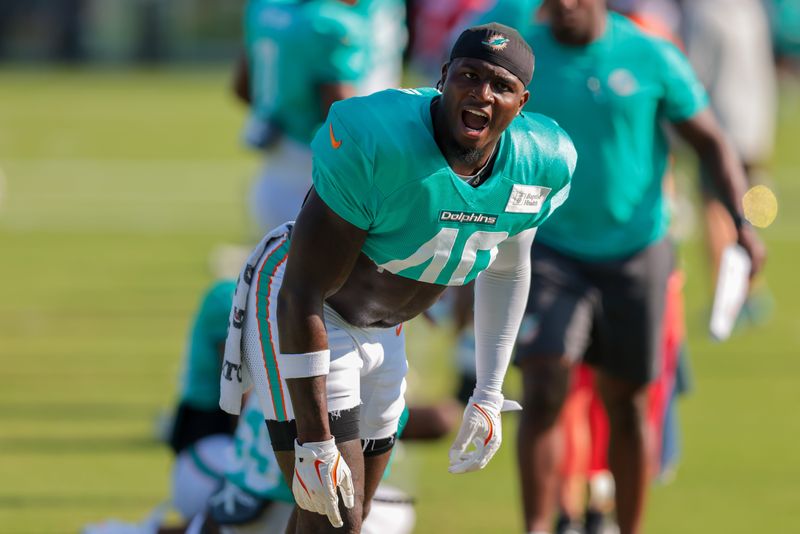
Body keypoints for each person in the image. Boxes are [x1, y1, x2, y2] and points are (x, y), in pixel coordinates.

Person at [220, 23, 576, 533]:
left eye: (500, 85)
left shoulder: (540, 161)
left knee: (349, 515)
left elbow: (507, 268)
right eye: (469, 76)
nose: (481, 94)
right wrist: (316, 440)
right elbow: (303, 289)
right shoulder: (377, 136)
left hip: (388, 330)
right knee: (334, 515)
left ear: (522, 103)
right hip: (309, 309)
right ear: (442, 76)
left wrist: (489, 391)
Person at [474, 2, 766, 534]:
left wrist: (742, 226)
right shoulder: (523, 57)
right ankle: (540, 525)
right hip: (550, 248)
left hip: (636, 254)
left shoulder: (648, 53)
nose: (562, 5)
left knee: (627, 405)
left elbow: (710, 140)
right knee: (542, 385)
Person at [233, 0, 370, 233]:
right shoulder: (327, 23)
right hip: (312, 174)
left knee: (275, 264)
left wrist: (281, 107)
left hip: (273, 161)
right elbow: (342, 114)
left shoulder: (263, 9)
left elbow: (242, 88)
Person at [680, 0, 777, 322]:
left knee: (717, 209)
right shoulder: (752, 10)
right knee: (747, 206)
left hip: (719, 126)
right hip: (755, 121)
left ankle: (729, 298)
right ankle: (752, 288)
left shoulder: (704, 13)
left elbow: (695, 72)